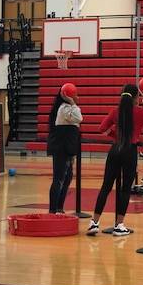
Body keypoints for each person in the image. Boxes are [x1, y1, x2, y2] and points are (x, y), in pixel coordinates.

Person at [87, 83, 143, 236]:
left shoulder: (115, 111)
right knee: (125, 189)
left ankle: (94, 223)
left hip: (115, 149)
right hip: (129, 151)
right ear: (136, 98)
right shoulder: (140, 112)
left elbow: (102, 128)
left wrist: (116, 137)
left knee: (106, 186)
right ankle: (119, 226)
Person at [47, 83, 82, 214]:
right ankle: (53, 210)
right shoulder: (64, 108)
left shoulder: (67, 108)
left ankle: (59, 208)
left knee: (67, 178)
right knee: (59, 179)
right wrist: (73, 103)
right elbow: (79, 118)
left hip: (67, 149)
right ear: (69, 97)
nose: (78, 97)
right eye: (75, 95)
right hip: (61, 149)